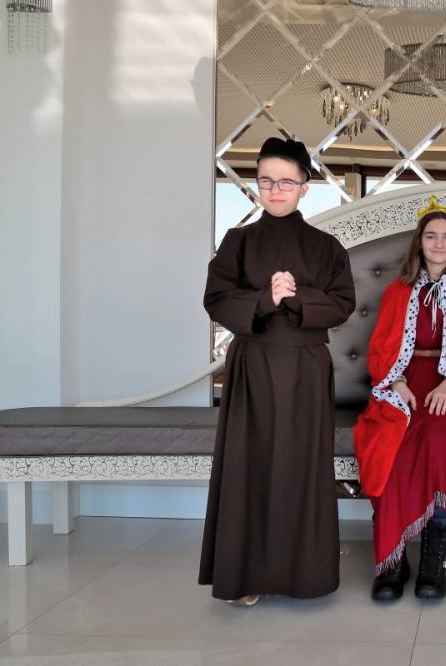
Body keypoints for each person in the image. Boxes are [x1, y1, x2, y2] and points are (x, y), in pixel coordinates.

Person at [199, 137, 356, 605]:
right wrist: (266, 299)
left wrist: (298, 296)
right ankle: (245, 576)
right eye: (266, 181)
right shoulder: (239, 241)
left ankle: (303, 576)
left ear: (304, 187)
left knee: (302, 467)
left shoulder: (326, 247)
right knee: (249, 466)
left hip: (307, 368)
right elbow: (215, 299)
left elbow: (343, 303)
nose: (275, 190)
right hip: (252, 367)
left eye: (286, 182)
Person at [354, 196, 446, 601]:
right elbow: (381, 345)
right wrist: (395, 382)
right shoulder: (398, 291)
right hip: (402, 383)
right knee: (388, 446)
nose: (439, 243)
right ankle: (392, 560)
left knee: (438, 441)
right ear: (420, 242)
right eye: (431, 236)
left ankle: (434, 563)